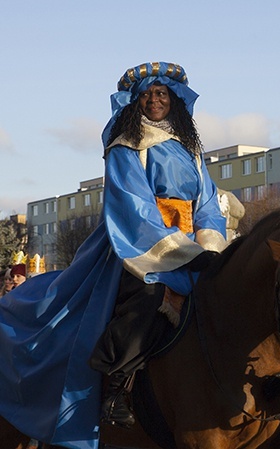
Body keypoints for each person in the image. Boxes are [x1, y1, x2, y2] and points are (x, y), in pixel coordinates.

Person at [0, 61, 226, 449]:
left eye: (162, 94)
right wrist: (180, 253)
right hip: (137, 245)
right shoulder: (125, 146)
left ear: (174, 100)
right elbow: (133, 208)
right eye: (148, 95)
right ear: (134, 103)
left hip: (192, 245)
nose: (155, 100)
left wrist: (209, 248)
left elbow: (206, 203)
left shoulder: (191, 150)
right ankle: (117, 386)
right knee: (148, 298)